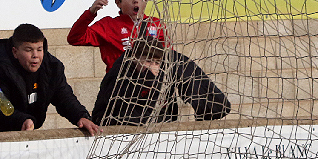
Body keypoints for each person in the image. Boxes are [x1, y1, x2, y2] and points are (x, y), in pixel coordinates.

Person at [0, 23, 101, 136]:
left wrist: (81, 116)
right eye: (29, 50)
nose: (35, 55)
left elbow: (64, 97)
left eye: (39, 49)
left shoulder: (52, 67)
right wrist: (23, 120)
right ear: (15, 52)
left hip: (30, 130)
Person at [92, 35, 231, 125]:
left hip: (163, 126)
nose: (153, 67)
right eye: (148, 61)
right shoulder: (120, 74)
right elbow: (104, 113)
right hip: (127, 130)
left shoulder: (172, 65)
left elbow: (218, 105)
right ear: (135, 59)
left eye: (156, 63)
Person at [67, 0, 166, 73]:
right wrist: (90, 13)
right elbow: (75, 39)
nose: (135, 0)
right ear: (118, 2)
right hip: (119, 85)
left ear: (145, 1)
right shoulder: (108, 25)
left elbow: (166, 55)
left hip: (149, 85)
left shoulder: (156, 24)